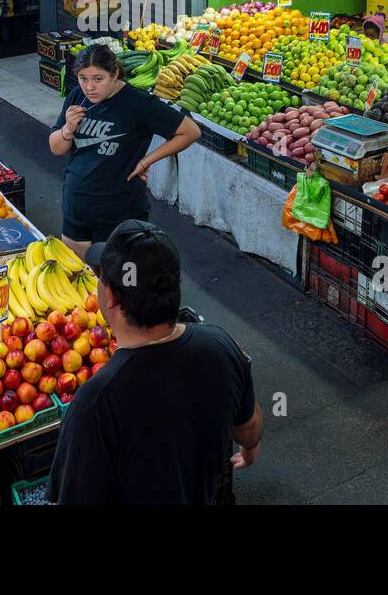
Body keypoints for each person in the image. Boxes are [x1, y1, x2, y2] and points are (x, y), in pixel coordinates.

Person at [47, 220, 263, 505]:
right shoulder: (220, 347)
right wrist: (249, 449)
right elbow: (249, 428)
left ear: (110, 296)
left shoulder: (96, 403)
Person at [49, 45, 201, 255]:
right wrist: (67, 129)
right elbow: (56, 149)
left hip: (119, 209)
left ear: (114, 74)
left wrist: (146, 161)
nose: (89, 87)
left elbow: (190, 131)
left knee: (117, 279)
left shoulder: (139, 103)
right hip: (77, 203)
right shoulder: (77, 96)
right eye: (83, 78)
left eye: (98, 79)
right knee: (78, 278)